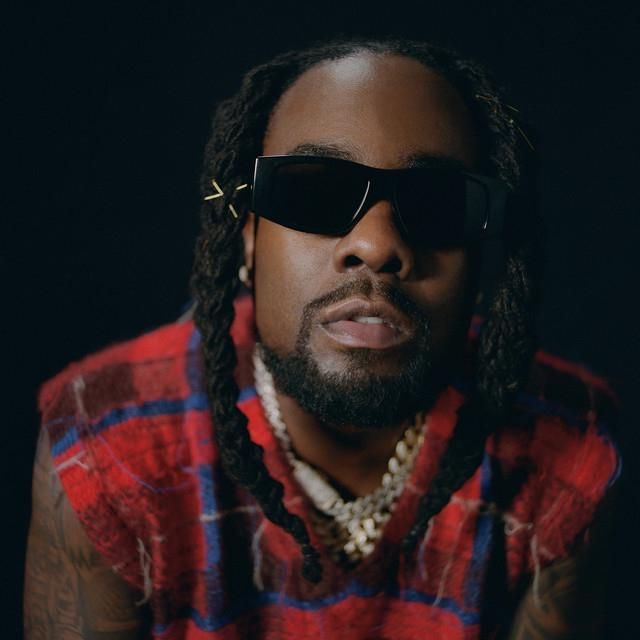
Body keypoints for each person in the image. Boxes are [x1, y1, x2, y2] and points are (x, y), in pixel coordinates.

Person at [24, 38, 621, 639]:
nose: (377, 245)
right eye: (315, 192)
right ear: (249, 238)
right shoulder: (106, 443)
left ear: (484, 261)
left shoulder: (568, 447)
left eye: (438, 204)